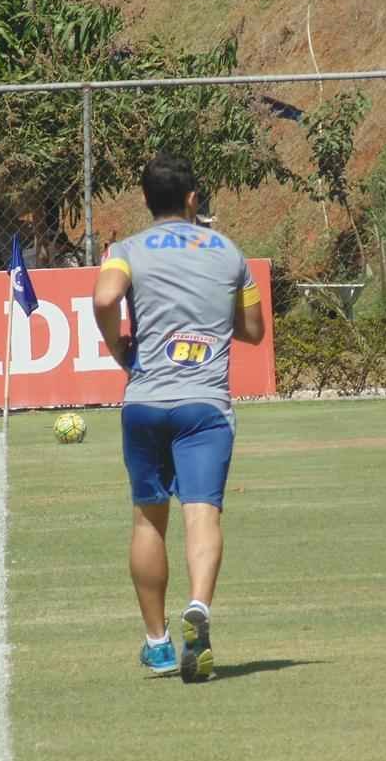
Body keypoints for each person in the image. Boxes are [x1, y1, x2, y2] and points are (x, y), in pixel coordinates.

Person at [93, 153, 265, 683]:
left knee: (148, 518)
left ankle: (158, 643)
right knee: (202, 513)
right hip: (203, 405)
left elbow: (104, 297)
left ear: (146, 202)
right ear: (194, 199)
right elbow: (254, 330)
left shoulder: (125, 251)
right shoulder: (230, 253)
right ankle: (199, 608)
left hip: (145, 401)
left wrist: (119, 346)